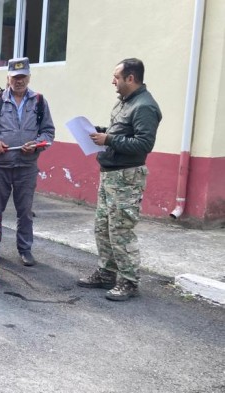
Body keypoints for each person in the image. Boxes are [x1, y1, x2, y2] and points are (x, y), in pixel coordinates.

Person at [77, 58, 161, 301]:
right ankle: (107, 274)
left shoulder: (144, 106)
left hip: (127, 176)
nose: (113, 81)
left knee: (121, 230)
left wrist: (109, 140)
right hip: (110, 174)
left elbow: (144, 144)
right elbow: (120, 133)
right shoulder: (124, 103)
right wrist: (101, 132)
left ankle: (129, 281)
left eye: (117, 77)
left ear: (131, 78)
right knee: (103, 227)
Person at [0, 57, 55, 267]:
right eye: (14, 77)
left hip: (27, 167)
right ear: (8, 78)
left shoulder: (39, 101)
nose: (18, 81)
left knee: (25, 212)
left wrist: (38, 144)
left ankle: (25, 250)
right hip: (0, 166)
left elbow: (48, 132)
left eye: (22, 77)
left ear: (29, 77)